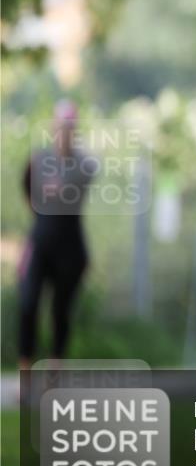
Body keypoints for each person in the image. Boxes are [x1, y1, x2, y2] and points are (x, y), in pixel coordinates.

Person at [19, 99, 95, 371]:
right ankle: (25, 375)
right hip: (41, 241)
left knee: (60, 312)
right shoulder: (39, 159)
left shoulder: (83, 164)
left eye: (69, 127)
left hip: (70, 248)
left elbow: (70, 183)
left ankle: (54, 373)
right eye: (60, 126)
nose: (63, 132)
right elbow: (30, 187)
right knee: (28, 304)